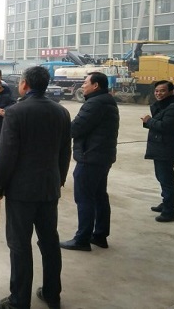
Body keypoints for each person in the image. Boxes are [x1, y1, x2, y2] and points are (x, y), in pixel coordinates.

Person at [0, 66, 71, 309]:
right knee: (49, 241)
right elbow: (65, 151)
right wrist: (59, 179)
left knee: (19, 244)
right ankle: (52, 294)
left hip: (22, 191)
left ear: (25, 84)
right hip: (49, 188)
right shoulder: (61, 111)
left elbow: (6, 154)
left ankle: (18, 301)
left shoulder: (15, 112)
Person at [60, 72, 119, 251]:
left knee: (84, 198)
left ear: (95, 85)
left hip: (90, 157)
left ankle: (82, 239)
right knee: (99, 196)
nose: (83, 85)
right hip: (102, 156)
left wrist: (57, 128)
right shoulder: (107, 101)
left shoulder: (94, 103)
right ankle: (100, 235)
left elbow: (75, 128)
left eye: (85, 82)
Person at [141, 80, 174, 223]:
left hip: (166, 149)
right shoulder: (162, 106)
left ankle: (169, 211)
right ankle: (166, 202)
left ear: (171, 92)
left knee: (166, 180)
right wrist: (148, 122)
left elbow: (166, 127)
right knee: (162, 177)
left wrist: (149, 121)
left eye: (162, 91)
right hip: (160, 148)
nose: (159, 93)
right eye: (157, 91)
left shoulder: (173, 108)